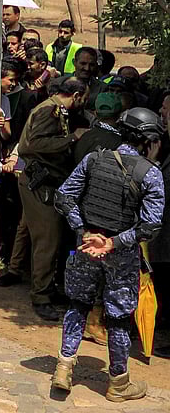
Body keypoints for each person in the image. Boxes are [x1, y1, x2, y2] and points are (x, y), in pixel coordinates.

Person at [51, 107, 165, 401]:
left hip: (86, 248)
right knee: (117, 319)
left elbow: (64, 196)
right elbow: (150, 225)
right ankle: (118, 383)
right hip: (121, 256)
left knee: (77, 306)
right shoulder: (150, 174)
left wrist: (84, 232)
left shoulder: (94, 159)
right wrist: (114, 243)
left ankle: (63, 368)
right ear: (148, 140)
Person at [15, 76, 89, 320]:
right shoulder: (49, 111)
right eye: (84, 98)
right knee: (48, 240)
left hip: (45, 183)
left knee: (35, 234)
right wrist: (72, 138)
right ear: (76, 96)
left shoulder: (54, 110)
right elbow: (33, 145)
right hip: (40, 184)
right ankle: (41, 296)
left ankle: (40, 284)